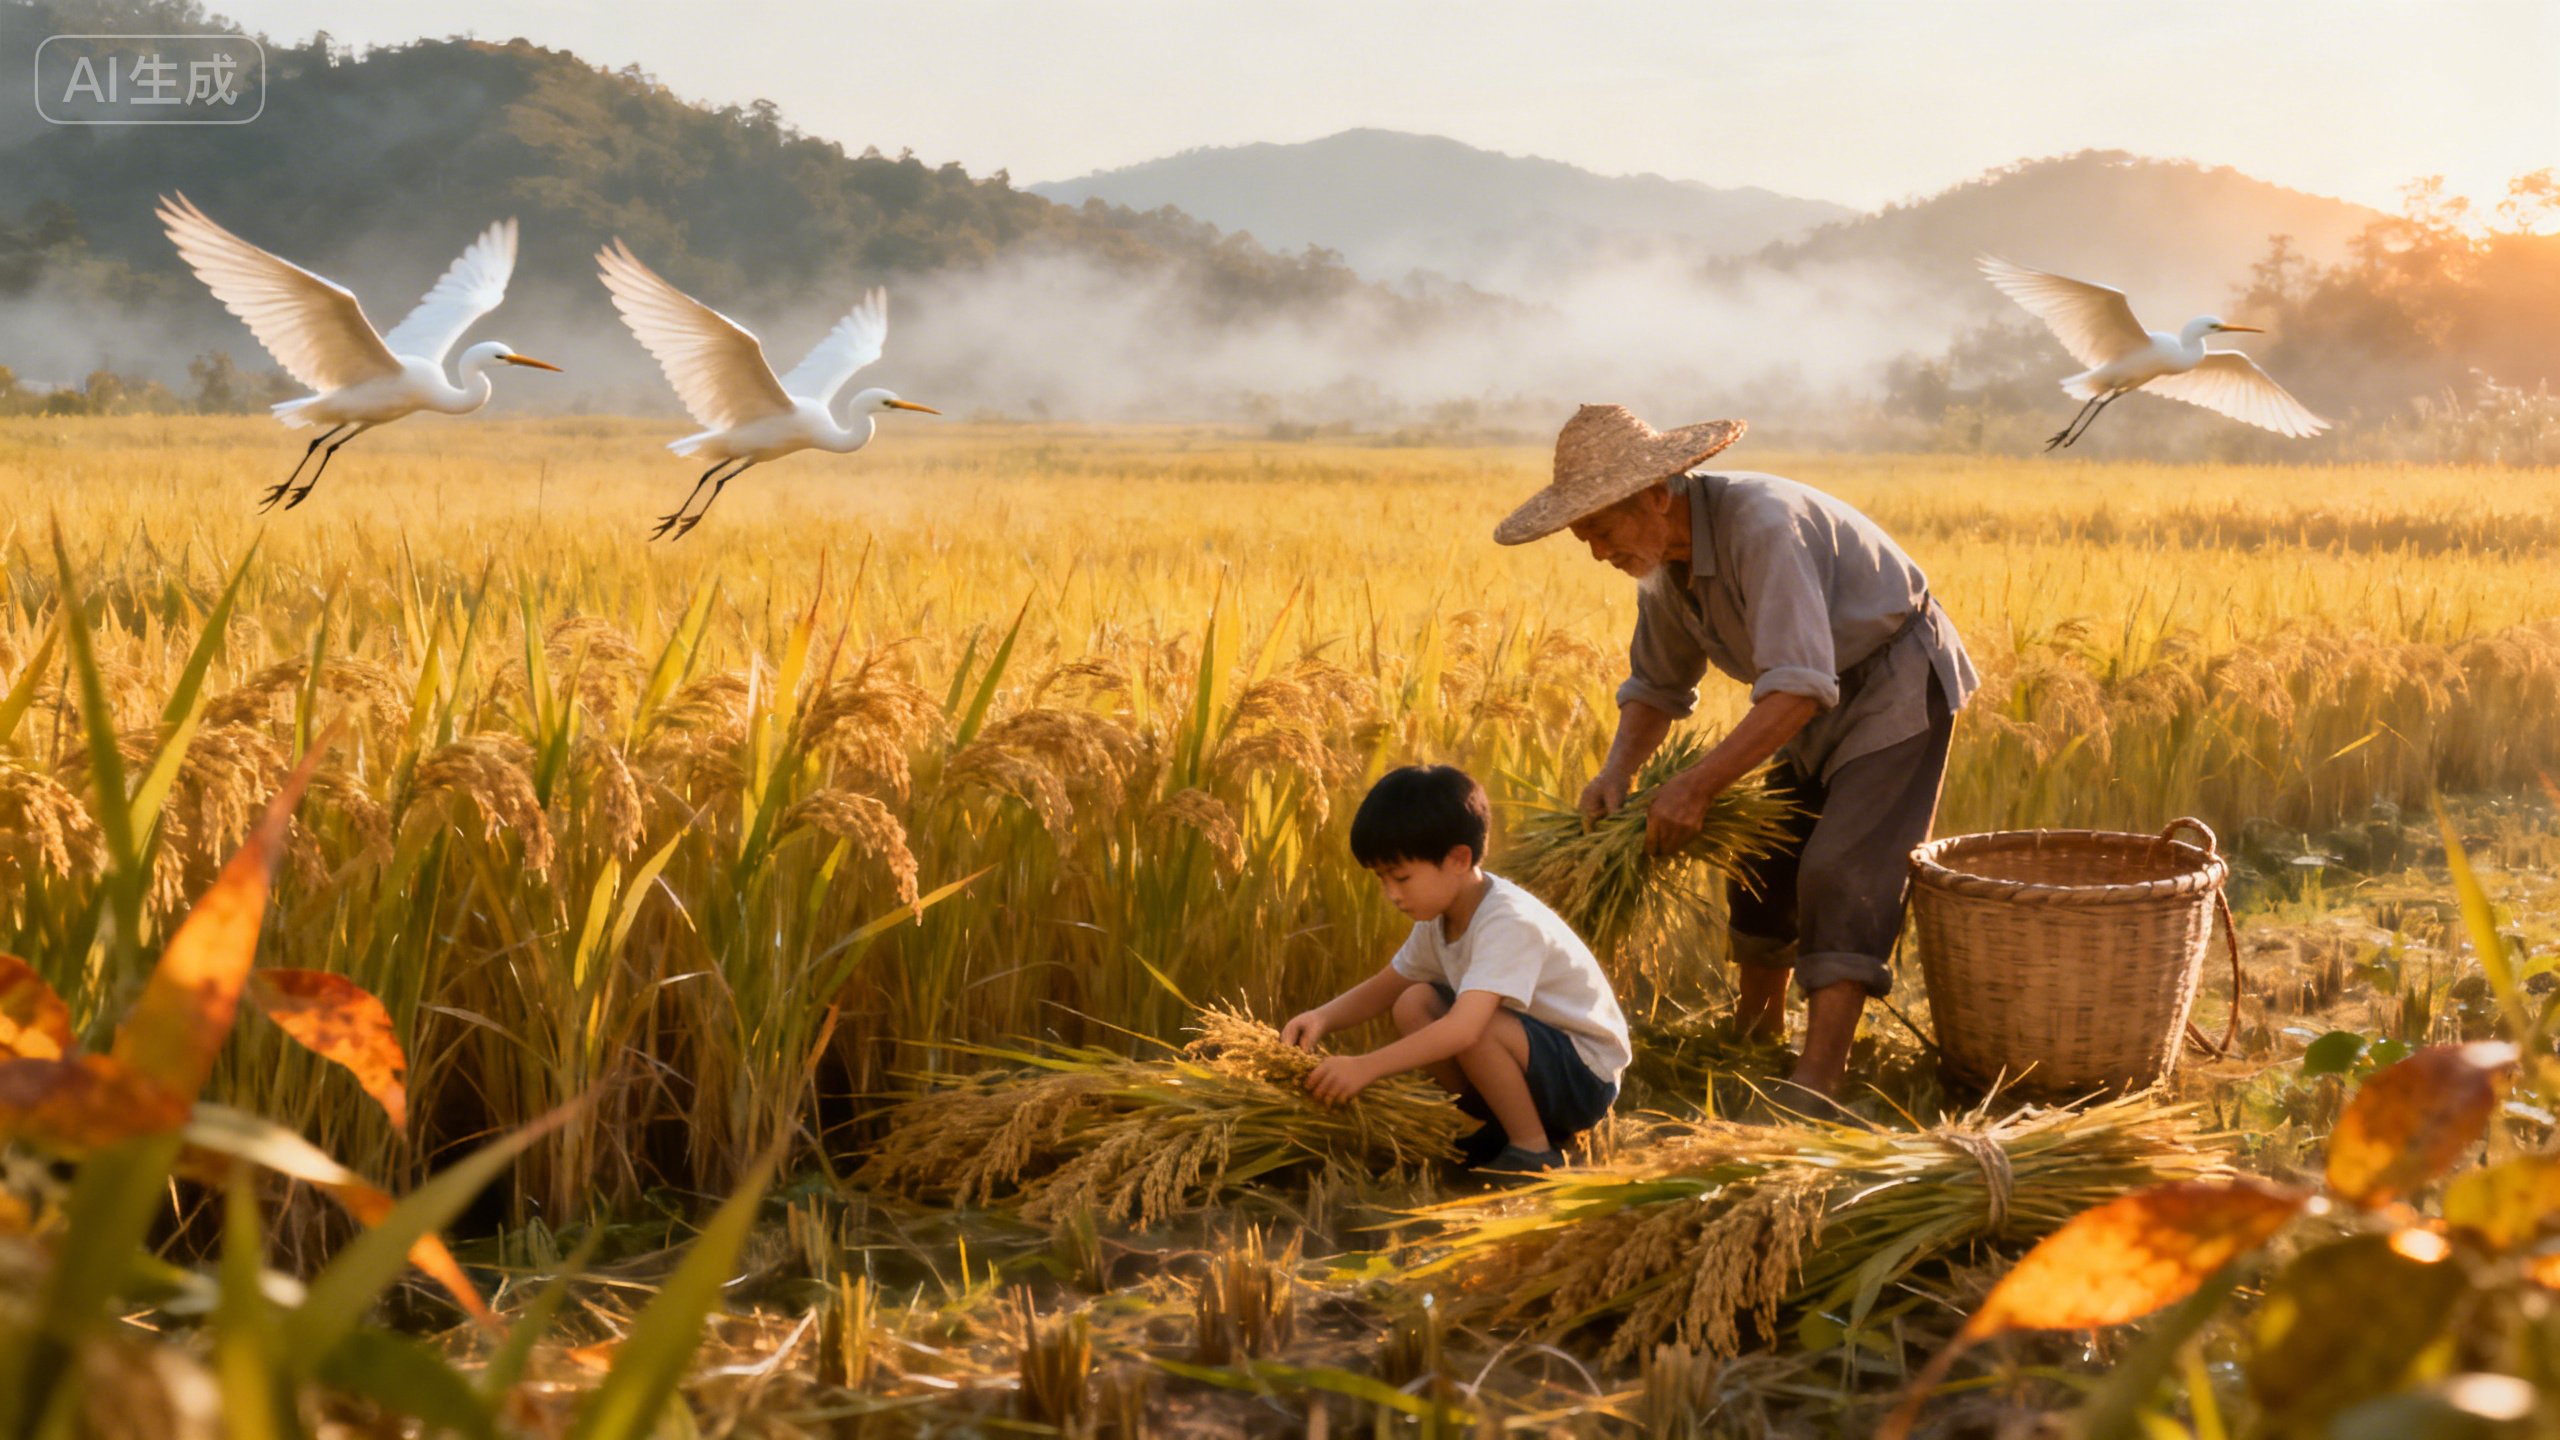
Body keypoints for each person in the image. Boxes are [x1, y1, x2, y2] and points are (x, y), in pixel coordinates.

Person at [1493, 405, 1978, 1102]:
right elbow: (1659, 683)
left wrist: (1696, 786)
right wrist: (1617, 772)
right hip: (1811, 695)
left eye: (1601, 529)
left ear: (1656, 497)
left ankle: (1820, 1077)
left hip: (1892, 681)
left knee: (1843, 866)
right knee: (1764, 852)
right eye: (1583, 537)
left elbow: (1801, 687)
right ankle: (1755, 1031)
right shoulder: (1662, 561)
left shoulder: (1763, 527)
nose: (1598, 551)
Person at [1280, 764, 1630, 1175]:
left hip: (1584, 1078)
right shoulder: (1439, 918)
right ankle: (1503, 1125)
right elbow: (1388, 985)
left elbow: (1464, 1030)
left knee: (1472, 1025)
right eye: (1382, 879)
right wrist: (1322, 1017)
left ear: (1458, 859)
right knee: (1413, 1001)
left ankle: (1533, 1149)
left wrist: (1365, 1067)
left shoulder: (1507, 921)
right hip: (1536, 1062)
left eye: (1401, 877)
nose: (1391, 894)